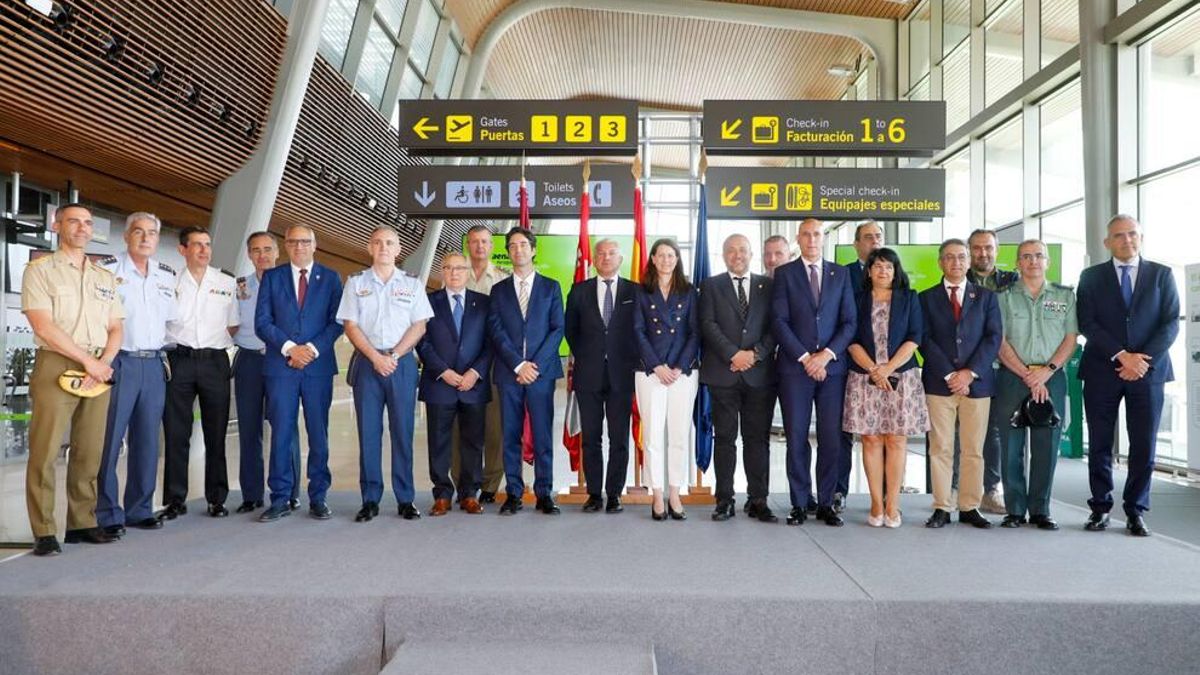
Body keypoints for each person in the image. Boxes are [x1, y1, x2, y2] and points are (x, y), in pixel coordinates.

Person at [22, 204, 123, 555]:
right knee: (46, 450)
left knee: (90, 450)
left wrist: (105, 361)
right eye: (73, 221)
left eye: (87, 223)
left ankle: (82, 523)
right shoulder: (40, 271)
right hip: (57, 362)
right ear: (56, 225)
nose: (82, 228)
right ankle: (44, 530)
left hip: (98, 365)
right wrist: (87, 361)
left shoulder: (104, 278)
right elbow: (43, 326)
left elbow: (115, 326)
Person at [1077, 215, 1179, 537]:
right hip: (1102, 370)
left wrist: (1141, 360)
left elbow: (1171, 322)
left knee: (1144, 444)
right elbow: (1087, 322)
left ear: (1141, 236)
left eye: (1132, 234)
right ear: (1107, 242)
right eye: (1118, 236)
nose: (1126, 240)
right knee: (1100, 443)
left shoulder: (1162, 275)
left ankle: (1136, 510)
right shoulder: (1091, 277)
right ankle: (1100, 508)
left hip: (1148, 372)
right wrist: (1122, 356)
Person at [337, 227, 432, 521]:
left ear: (398, 248)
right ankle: (370, 499)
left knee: (403, 432)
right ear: (369, 247)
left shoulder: (412, 284)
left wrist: (394, 355)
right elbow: (350, 325)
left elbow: (420, 325)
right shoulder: (356, 283)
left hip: (400, 363)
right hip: (368, 362)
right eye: (377, 242)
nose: (383, 247)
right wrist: (376, 357)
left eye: (389, 243)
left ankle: (405, 498)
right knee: (369, 433)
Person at [95, 213, 176, 538]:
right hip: (119, 363)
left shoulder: (165, 275)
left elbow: (172, 321)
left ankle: (140, 508)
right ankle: (106, 512)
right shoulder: (108, 270)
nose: (146, 238)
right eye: (139, 232)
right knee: (109, 440)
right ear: (127, 236)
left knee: (147, 441)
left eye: (152, 233)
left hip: (154, 364)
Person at [255, 225, 344, 522]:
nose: (299, 246)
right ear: (286, 245)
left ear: (314, 244)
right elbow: (262, 322)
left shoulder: (330, 278)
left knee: (319, 433)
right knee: (281, 432)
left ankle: (318, 497)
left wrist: (311, 351)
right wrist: (291, 348)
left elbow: (337, 322)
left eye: (305, 241)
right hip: (281, 368)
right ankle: (280, 497)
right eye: (292, 242)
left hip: (318, 368)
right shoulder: (272, 277)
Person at [771, 218, 856, 527]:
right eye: (806, 234)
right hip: (796, 369)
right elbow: (779, 322)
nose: (811, 239)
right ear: (798, 238)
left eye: (816, 234)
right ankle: (799, 502)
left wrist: (826, 356)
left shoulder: (841, 273)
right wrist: (807, 358)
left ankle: (826, 503)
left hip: (832, 370)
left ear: (824, 238)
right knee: (795, 436)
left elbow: (849, 322)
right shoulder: (784, 274)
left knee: (831, 438)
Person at [994, 240, 1078, 530]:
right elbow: (999, 341)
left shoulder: (1065, 296)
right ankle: (1015, 509)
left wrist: (1046, 372)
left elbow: (1070, 339)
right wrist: (1028, 374)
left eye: (1038, 256)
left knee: (1046, 445)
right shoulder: (1003, 297)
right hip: (1012, 378)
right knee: (1011, 447)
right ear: (1017, 263)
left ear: (1047, 262)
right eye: (1026, 257)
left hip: (1052, 378)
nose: (1033, 261)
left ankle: (1041, 509)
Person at [918, 239, 1001, 530]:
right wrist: (950, 375)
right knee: (940, 447)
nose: (956, 262)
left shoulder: (987, 297)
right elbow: (923, 339)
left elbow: (993, 338)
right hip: (939, 384)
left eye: (961, 257)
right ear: (940, 262)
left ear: (968, 262)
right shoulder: (925, 298)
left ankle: (969, 506)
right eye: (949, 257)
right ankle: (942, 506)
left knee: (973, 449)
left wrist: (969, 373)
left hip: (977, 385)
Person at [843, 248, 927, 528]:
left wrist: (888, 369)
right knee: (871, 439)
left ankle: (893, 505)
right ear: (868, 271)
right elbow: (850, 338)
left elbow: (915, 337)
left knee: (896, 439)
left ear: (896, 271)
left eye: (889, 267)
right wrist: (873, 370)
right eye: (877, 266)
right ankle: (876, 504)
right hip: (864, 377)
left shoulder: (909, 298)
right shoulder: (856, 300)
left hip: (901, 377)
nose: (883, 272)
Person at [159, 226, 238, 520]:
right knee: (176, 433)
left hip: (215, 361)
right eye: (197, 245)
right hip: (179, 359)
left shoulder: (225, 282)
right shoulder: (169, 282)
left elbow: (233, 324)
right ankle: (175, 500)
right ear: (183, 250)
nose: (204, 250)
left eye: (207, 245)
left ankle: (217, 499)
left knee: (216, 433)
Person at [699, 234, 777, 523]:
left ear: (752, 253)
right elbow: (707, 324)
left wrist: (754, 355)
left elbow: (775, 326)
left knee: (757, 440)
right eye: (731, 250)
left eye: (742, 250)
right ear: (723, 255)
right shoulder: (710, 286)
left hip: (760, 375)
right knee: (725, 439)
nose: (737, 255)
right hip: (724, 373)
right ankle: (725, 499)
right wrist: (734, 354)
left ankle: (758, 499)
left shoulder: (768, 286)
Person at [487, 227, 564, 516]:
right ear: (508, 253)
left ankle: (544, 492)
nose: (518, 250)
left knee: (543, 434)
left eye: (523, 245)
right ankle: (514, 493)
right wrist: (518, 365)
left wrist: (534, 365)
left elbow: (557, 329)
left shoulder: (551, 287)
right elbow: (495, 330)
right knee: (510, 435)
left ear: (533, 250)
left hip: (541, 374)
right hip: (509, 374)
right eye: (512, 246)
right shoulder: (498, 290)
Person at [564, 239, 638, 514]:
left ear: (620, 259)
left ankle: (614, 493)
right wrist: (587, 354)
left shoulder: (635, 291)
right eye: (601, 253)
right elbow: (570, 330)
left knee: (619, 438)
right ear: (594, 259)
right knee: (591, 437)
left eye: (611, 253)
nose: (606, 257)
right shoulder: (579, 290)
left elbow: (638, 330)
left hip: (622, 375)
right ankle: (594, 493)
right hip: (589, 374)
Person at [232, 231, 301, 514]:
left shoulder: (292, 283)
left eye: (267, 249)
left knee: (286, 427)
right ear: (249, 254)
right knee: (249, 429)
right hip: (249, 360)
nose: (262, 255)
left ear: (278, 252)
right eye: (256, 250)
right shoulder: (239, 287)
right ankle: (251, 494)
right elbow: (230, 323)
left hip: (282, 361)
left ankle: (290, 492)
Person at [417, 253, 491, 515]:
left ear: (468, 271)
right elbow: (421, 341)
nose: (454, 273)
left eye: (459, 268)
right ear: (442, 272)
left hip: (474, 385)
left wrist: (475, 372)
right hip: (440, 383)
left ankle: (470, 494)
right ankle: (442, 495)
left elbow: (490, 342)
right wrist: (444, 371)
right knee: (439, 441)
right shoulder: (427, 301)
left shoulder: (483, 303)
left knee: (473, 442)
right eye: (448, 268)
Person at [633, 238, 700, 521]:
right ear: (652, 258)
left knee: (679, 435)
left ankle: (675, 491)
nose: (666, 260)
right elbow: (637, 331)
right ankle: (657, 493)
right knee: (652, 436)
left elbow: (695, 332)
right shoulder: (641, 292)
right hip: (650, 372)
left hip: (682, 373)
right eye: (661, 255)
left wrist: (677, 366)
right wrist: (657, 365)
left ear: (677, 259)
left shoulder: (689, 291)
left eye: (671, 255)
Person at [966, 228, 1020, 514]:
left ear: (997, 251)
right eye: (976, 248)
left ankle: (992, 490)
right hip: (971, 368)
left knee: (998, 433)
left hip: (1007, 368)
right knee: (968, 434)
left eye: (988, 248)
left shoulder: (1012, 282)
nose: (982, 253)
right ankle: (962, 491)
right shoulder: (960, 280)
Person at [836, 220, 884, 512]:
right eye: (868, 238)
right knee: (846, 432)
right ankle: (839, 491)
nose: (874, 242)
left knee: (888, 434)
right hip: (850, 365)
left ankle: (884, 497)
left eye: (878, 236)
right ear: (857, 244)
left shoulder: (895, 274)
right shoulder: (842, 276)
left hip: (889, 369)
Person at [461, 224, 509, 503]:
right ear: (468, 245)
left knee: (494, 427)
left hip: (493, 362)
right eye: (475, 241)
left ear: (492, 247)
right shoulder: (454, 274)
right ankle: (465, 483)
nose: (480, 246)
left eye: (485, 242)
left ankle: (490, 484)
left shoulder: (501, 280)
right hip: (460, 364)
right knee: (463, 427)